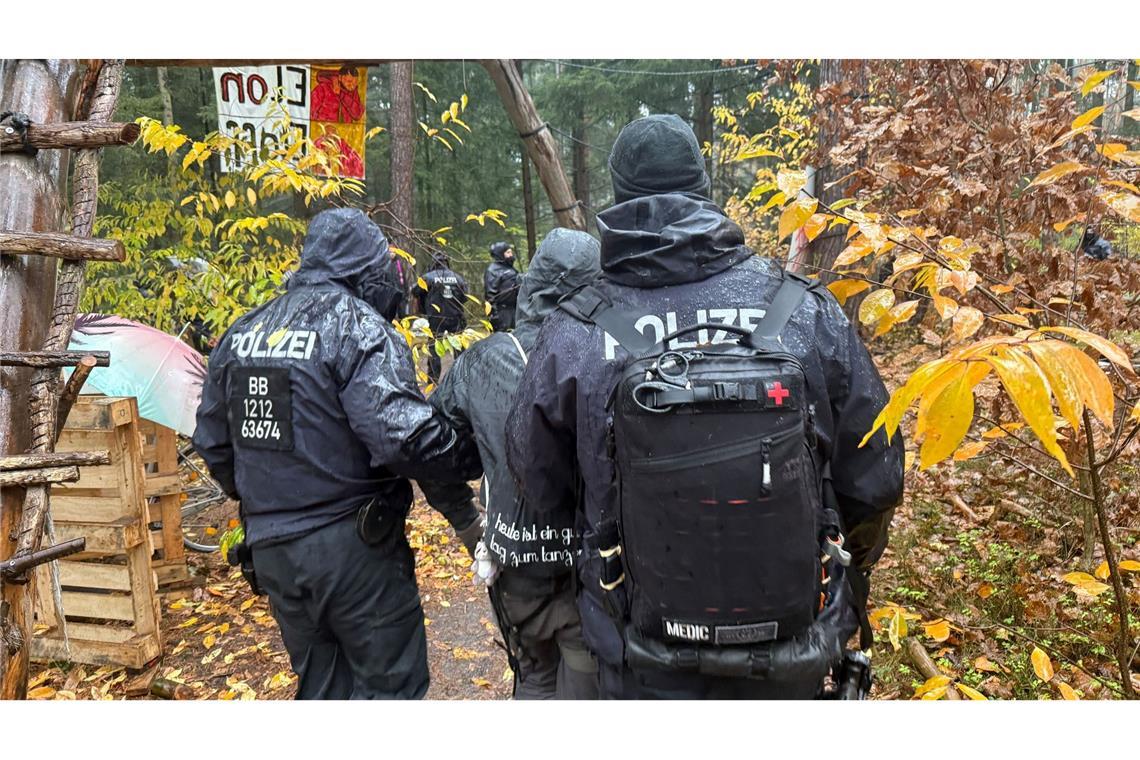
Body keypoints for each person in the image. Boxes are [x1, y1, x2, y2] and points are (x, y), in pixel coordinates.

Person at [506, 115, 905, 700]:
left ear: (616, 200)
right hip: (793, 650)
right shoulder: (803, 311)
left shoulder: (575, 331)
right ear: (702, 189)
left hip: (635, 651)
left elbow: (537, 486)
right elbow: (877, 479)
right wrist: (841, 569)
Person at [193, 208, 484, 700]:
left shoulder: (243, 333)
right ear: (364, 270)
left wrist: (267, 502)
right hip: (353, 552)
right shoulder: (356, 326)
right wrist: (470, 453)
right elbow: (402, 438)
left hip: (274, 551)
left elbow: (214, 441)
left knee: (322, 689)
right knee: (390, 689)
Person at [419, 229, 602, 700]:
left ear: (532, 283)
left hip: (516, 571)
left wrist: (466, 522)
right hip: (591, 573)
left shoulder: (483, 358)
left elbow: (428, 449)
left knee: (534, 677)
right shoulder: (612, 351)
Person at [415, 253, 468, 383]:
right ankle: (463, 376)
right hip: (455, 316)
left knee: (434, 347)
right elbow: (465, 296)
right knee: (459, 346)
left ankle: (432, 379)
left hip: (435, 317)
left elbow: (415, 291)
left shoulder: (428, 278)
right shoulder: (458, 278)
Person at [483, 241, 520, 331]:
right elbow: (490, 295)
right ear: (500, 254)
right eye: (508, 252)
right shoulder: (493, 270)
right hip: (502, 312)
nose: (511, 255)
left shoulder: (511, 269)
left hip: (514, 310)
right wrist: (494, 316)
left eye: (511, 252)